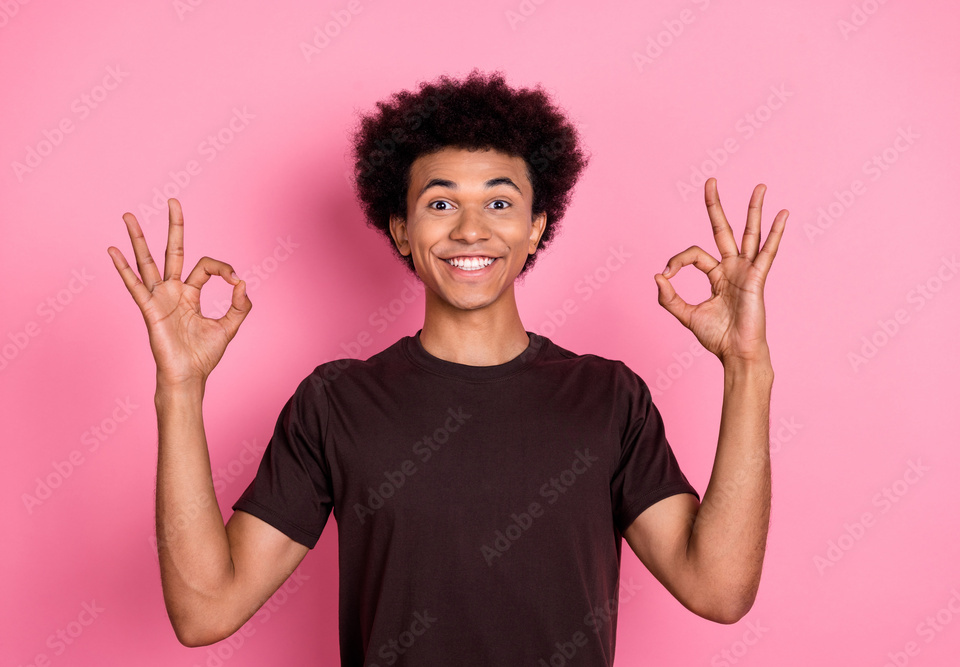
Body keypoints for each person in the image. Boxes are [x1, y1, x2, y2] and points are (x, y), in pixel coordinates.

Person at [107, 70, 787, 665]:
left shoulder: (609, 397)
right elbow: (205, 611)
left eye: (498, 201)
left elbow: (719, 588)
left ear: (536, 226)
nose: (469, 228)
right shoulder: (336, 403)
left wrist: (747, 369)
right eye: (440, 202)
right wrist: (180, 387)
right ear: (401, 228)